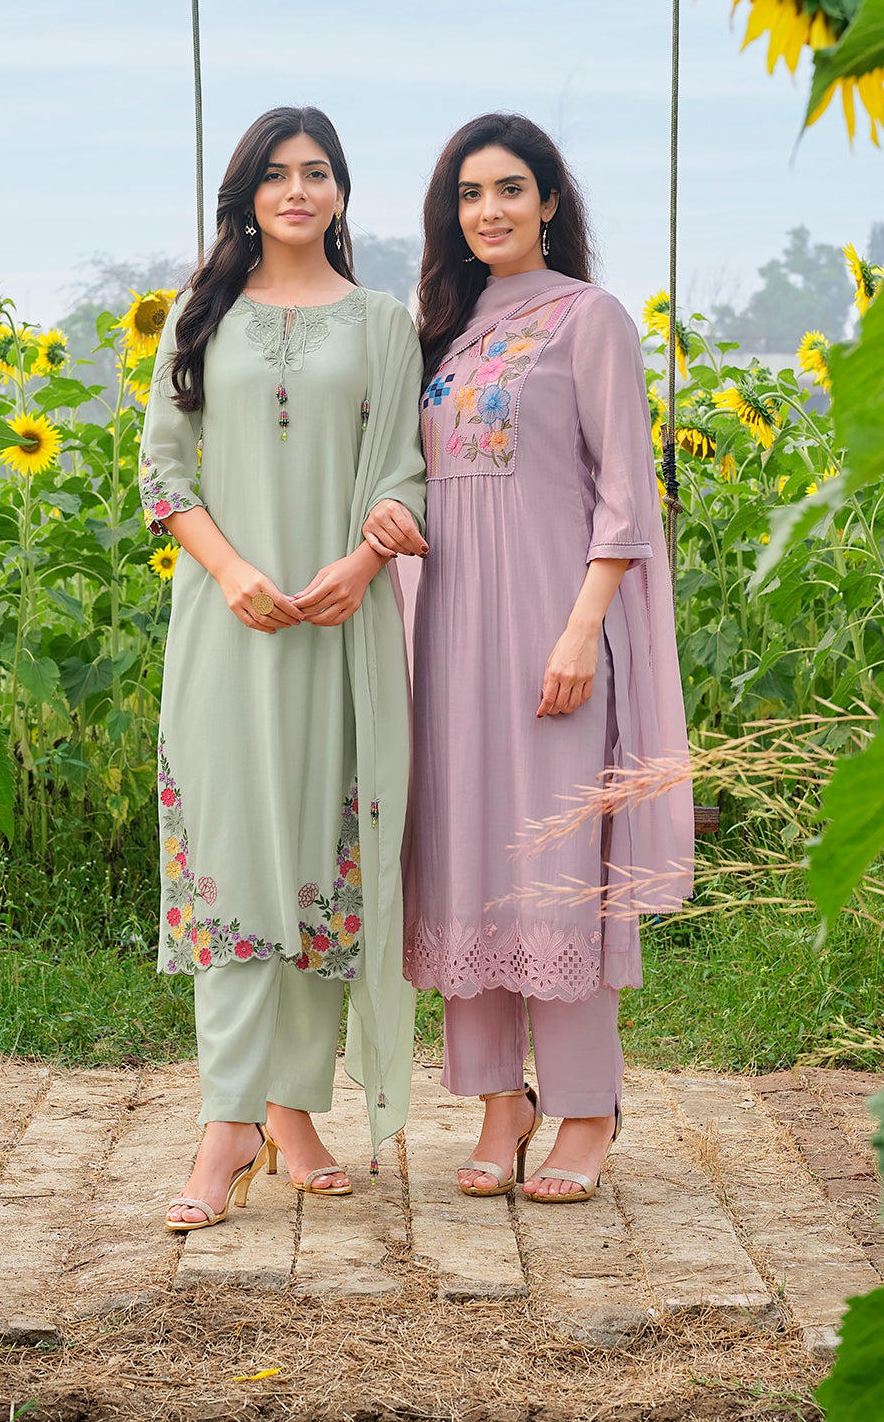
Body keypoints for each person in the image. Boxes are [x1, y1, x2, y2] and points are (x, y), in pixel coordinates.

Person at [394, 112, 693, 1203]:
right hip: (452, 638)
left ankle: (583, 1112)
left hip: (555, 632)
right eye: (471, 196)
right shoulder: (446, 329)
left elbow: (626, 493)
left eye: (511, 190)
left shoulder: (590, 319)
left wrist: (581, 625)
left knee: (557, 866)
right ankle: (498, 1103)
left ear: (551, 201)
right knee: (470, 860)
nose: (490, 212)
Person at [140, 105, 429, 1232]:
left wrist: (362, 565)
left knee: (325, 863)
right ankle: (227, 1126)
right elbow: (165, 474)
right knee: (233, 860)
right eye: (277, 175)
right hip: (229, 624)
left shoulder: (383, 322)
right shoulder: (200, 316)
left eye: (318, 173)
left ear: (343, 192)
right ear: (246, 196)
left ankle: (294, 1112)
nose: (298, 191)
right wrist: (233, 573)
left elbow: (406, 468)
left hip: (343, 627)